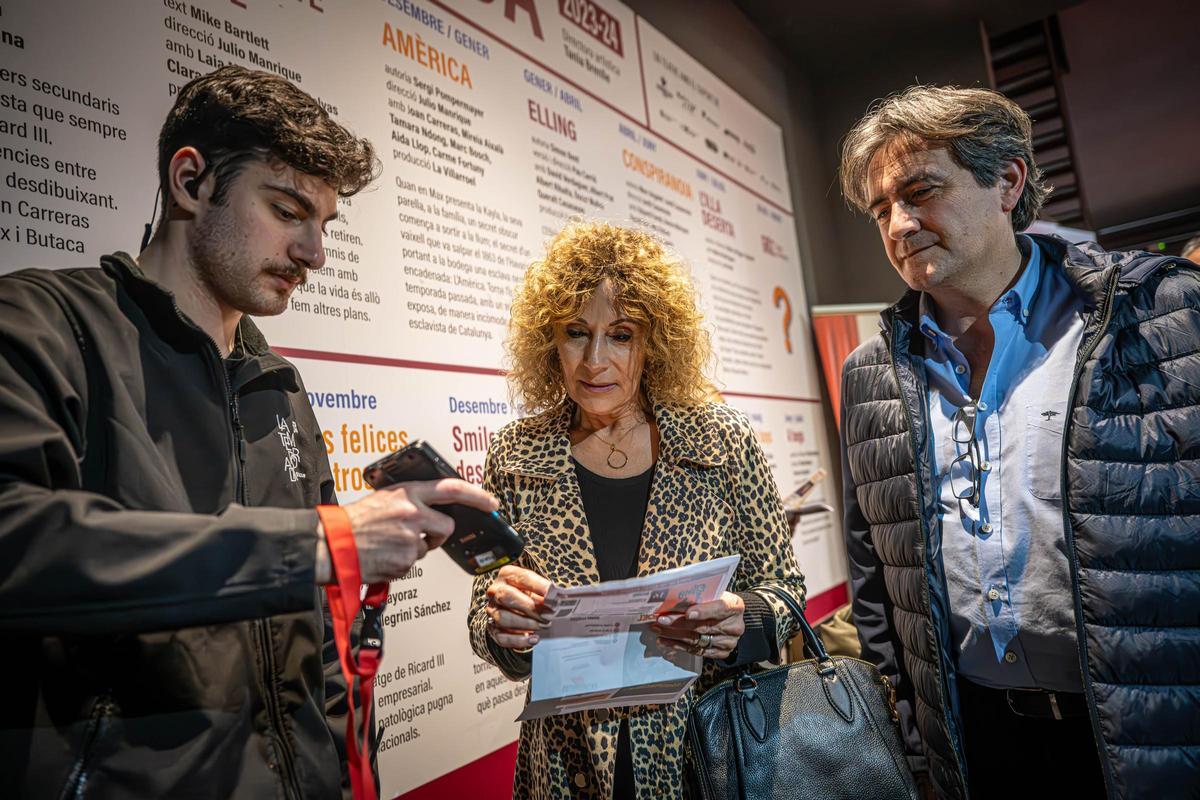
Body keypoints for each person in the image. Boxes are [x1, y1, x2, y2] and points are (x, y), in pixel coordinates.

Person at [0, 65, 498, 798]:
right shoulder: (41, 325)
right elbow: (19, 546)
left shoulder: (278, 385)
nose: (314, 253)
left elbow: (320, 641)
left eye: (323, 224)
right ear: (192, 182)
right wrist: (314, 547)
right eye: (287, 209)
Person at [836, 85, 1200, 799]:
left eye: (921, 191)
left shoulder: (1158, 317)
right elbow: (877, 582)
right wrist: (913, 742)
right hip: (978, 749)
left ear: (1008, 181)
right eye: (882, 209)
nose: (900, 225)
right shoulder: (872, 373)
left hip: (1151, 734)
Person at [466, 221, 806, 798]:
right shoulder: (517, 453)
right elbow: (487, 601)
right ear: (549, 339)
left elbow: (784, 590)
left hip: (703, 753)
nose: (595, 360)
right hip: (567, 762)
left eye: (620, 334)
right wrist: (504, 628)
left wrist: (741, 620)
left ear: (655, 343)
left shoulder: (720, 442)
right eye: (577, 332)